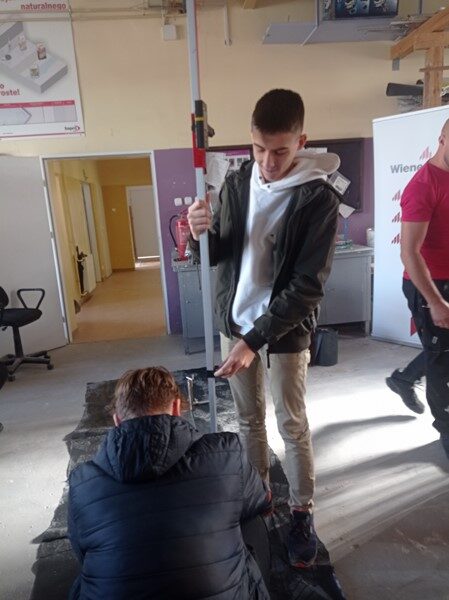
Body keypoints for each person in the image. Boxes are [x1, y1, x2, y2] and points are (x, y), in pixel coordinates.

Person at [187, 89, 340, 568]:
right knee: (249, 420)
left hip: (285, 332)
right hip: (235, 323)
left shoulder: (318, 198)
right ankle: (259, 496)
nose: (268, 163)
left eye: (280, 151)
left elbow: (307, 286)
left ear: (301, 142)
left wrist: (255, 341)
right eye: (259, 149)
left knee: (291, 423)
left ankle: (301, 513)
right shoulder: (237, 183)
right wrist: (197, 234)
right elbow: (221, 252)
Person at [67, 366, 271, 600]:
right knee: (250, 519)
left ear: (117, 421)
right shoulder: (227, 453)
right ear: (176, 408)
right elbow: (264, 500)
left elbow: (81, 552)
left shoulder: (82, 482)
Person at [386, 118, 449, 458]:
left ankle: (405, 378)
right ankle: (447, 430)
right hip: (429, 284)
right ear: (442, 138)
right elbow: (409, 253)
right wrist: (435, 301)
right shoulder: (423, 186)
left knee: (443, 350)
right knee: (442, 361)